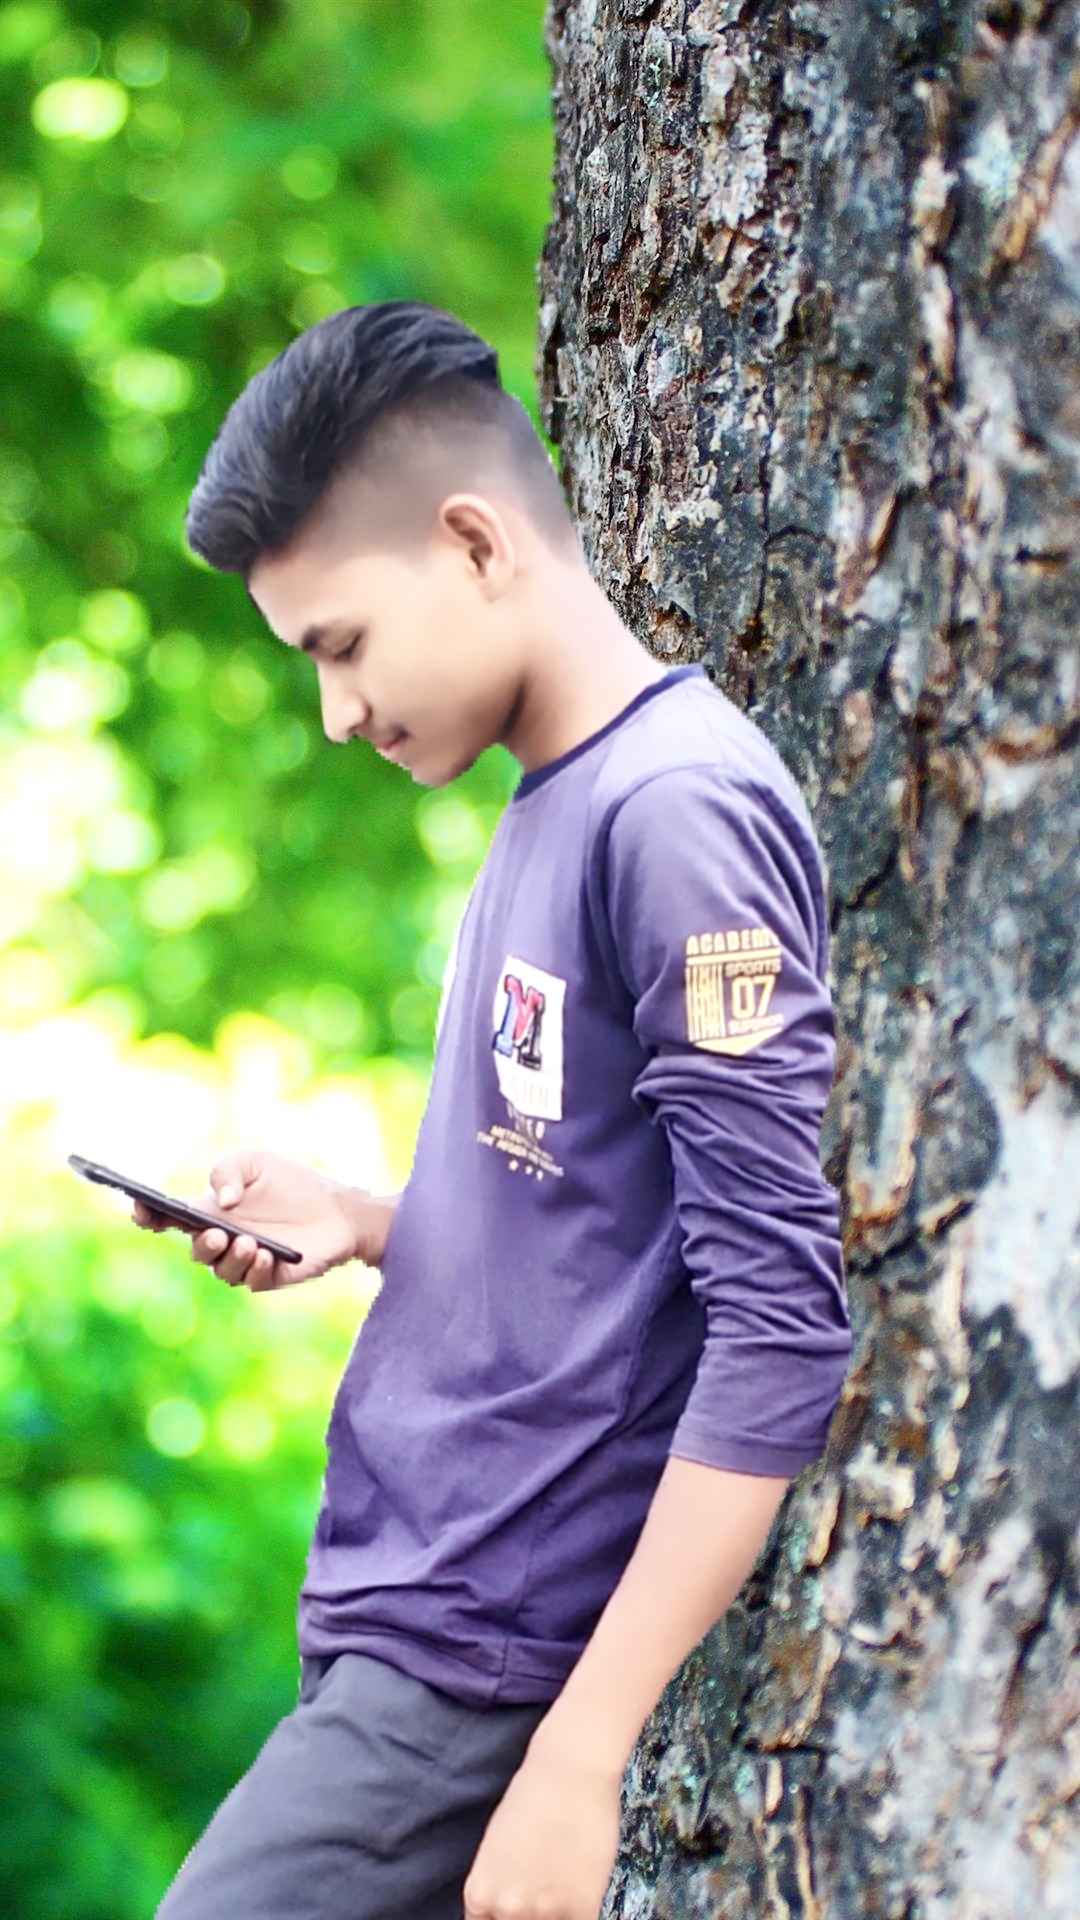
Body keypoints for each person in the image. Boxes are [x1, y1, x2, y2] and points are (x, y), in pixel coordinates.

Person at [134, 301, 854, 1920]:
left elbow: (780, 1325)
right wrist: (361, 1222)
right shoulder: (558, 800)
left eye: (339, 646)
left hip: (483, 1663)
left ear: (472, 542)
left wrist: (578, 1758)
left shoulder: (678, 813)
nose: (335, 711)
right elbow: (594, 1233)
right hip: (412, 1626)